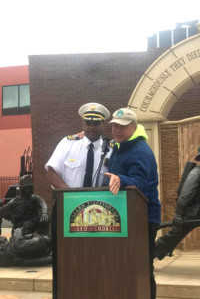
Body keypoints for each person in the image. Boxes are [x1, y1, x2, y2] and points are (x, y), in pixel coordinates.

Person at [45, 102, 110, 299]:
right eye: (88, 122)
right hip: (66, 209)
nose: (91, 127)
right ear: (82, 123)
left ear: (103, 125)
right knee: (64, 257)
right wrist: (73, 199)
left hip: (97, 213)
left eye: (96, 123)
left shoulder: (111, 148)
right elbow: (51, 172)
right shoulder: (68, 143)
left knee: (96, 258)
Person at [104, 108, 161, 299]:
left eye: (122, 127)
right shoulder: (120, 147)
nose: (117, 130)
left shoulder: (140, 150)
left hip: (143, 218)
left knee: (142, 267)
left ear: (134, 127)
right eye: (114, 126)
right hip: (124, 216)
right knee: (126, 267)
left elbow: (141, 183)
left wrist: (121, 179)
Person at [155, 139, 200, 261]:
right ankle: (147, 258)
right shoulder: (196, 173)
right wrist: (178, 215)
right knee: (170, 239)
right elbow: (185, 195)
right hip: (192, 215)